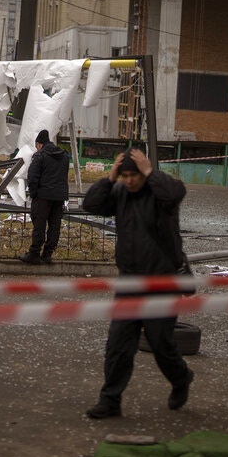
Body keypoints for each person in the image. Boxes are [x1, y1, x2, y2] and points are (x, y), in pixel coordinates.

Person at [81, 148, 194, 419]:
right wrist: (109, 179)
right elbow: (91, 205)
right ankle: (110, 400)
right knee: (118, 345)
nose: (130, 181)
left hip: (160, 283)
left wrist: (150, 172)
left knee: (161, 344)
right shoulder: (120, 192)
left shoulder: (160, 194)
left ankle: (181, 378)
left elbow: (176, 193)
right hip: (129, 282)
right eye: (126, 176)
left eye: (134, 176)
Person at [18, 129, 70, 265]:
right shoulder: (64, 156)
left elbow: (32, 177)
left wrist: (34, 194)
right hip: (59, 197)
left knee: (39, 225)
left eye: (36, 146)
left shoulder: (40, 156)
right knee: (54, 226)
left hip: (43, 197)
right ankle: (47, 255)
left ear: (39, 144)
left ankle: (34, 254)